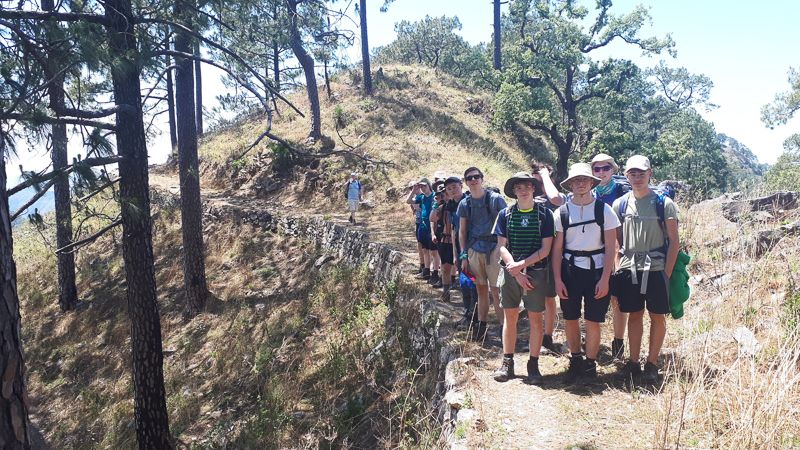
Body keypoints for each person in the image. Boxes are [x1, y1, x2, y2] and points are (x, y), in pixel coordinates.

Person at [611, 155, 679, 383]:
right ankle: (633, 362)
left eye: (642, 173)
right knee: (634, 315)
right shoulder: (619, 204)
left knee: (657, 316)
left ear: (650, 174)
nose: (637, 177)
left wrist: (666, 273)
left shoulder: (664, 203)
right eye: (633, 173)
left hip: (657, 269)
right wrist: (618, 267)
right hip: (630, 269)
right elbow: (617, 242)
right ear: (626, 175)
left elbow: (674, 241)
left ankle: (651, 363)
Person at [552, 163, 621, 384]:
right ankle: (575, 361)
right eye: (576, 180)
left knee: (593, 320)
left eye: (585, 180)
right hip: (569, 270)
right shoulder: (561, 212)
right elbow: (557, 248)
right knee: (570, 318)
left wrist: (605, 279)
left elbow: (611, 246)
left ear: (592, 182)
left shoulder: (604, 210)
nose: (581, 183)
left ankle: (590, 365)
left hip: (597, 270)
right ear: (570, 184)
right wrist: (557, 279)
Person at [492, 172, 553, 384]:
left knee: (536, 320)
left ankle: (533, 364)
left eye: (527, 186)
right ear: (514, 191)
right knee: (510, 318)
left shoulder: (545, 215)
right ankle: (507, 362)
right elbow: (502, 246)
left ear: (534, 189)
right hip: (510, 273)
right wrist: (516, 271)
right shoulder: (505, 214)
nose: (524, 190)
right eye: (519, 187)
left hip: (536, 273)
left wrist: (522, 266)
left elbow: (546, 249)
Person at [457, 167, 508, 341]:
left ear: (482, 179)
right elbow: (462, 231)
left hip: (494, 248)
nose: (473, 180)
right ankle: (481, 326)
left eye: (476, 176)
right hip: (474, 249)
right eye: (469, 178)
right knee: (481, 290)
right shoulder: (464, 204)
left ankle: (504, 330)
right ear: (466, 182)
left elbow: (507, 224)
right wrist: (463, 255)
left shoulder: (496, 200)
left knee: (496, 290)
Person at [590, 153, 632, 360]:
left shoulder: (623, 192)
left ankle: (618, 342)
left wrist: (618, 255)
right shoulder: (588, 191)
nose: (601, 172)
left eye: (605, 168)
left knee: (617, 299)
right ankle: (592, 343)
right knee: (593, 297)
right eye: (596, 169)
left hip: (619, 252)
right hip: (593, 252)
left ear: (613, 170)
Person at [531, 161, 567, 354]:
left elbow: (557, 199)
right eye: (534, 182)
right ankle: (536, 334)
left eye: (541, 181)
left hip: (554, 256)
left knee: (549, 298)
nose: (538, 187)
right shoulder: (528, 200)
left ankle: (548, 336)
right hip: (532, 257)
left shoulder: (557, 199)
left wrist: (545, 177)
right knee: (534, 297)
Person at [406, 178, 441, 284]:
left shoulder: (435, 196)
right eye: (421, 186)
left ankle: (435, 273)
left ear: (429, 186)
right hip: (422, 226)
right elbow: (408, 201)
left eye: (424, 186)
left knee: (434, 252)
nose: (423, 188)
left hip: (433, 226)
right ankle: (426, 270)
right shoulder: (421, 197)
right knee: (425, 250)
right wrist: (413, 190)